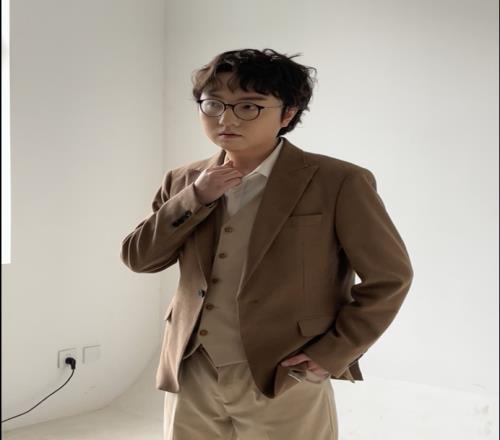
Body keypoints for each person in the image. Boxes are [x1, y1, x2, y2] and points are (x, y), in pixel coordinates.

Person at [120, 48, 414, 440]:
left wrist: (332, 353)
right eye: (213, 104)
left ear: (287, 114)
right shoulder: (182, 180)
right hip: (192, 368)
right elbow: (139, 259)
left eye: (249, 107)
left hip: (286, 371)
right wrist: (195, 198)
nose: (226, 119)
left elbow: (390, 277)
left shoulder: (339, 181)